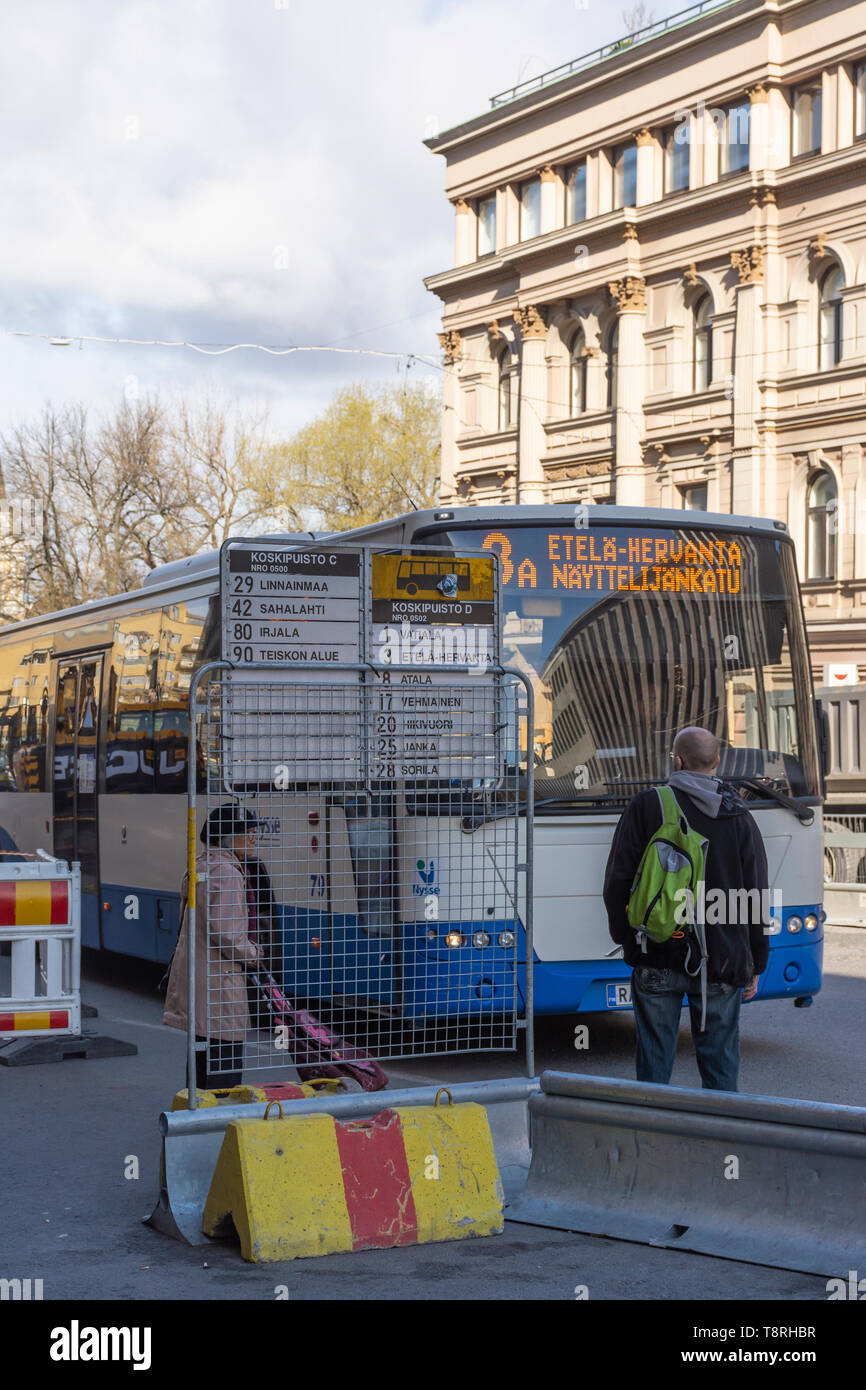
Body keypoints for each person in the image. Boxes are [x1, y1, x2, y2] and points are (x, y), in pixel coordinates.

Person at [603, 726, 770, 1093]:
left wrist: (627, 937)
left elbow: (617, 880)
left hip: (656, 953)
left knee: (654, 1063)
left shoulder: (649, 805)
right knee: (720, 1065)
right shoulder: (739, 813)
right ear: (717, 762)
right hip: (723, 960)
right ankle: (721, 1140)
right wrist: (756, 960)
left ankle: (652, 1139)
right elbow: (755, 892)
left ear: (677, 761)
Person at [163, 804, 263, 1089]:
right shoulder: (228, 873)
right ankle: (219, 1122)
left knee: (200, 1054)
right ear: (230, 837)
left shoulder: (201, 865)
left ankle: (196, 1116)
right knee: (224, 1058)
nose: (255, 839)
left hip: (199, 976)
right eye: (249, 833)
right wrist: (255, 953)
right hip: (220, 981)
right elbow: (228, 935)